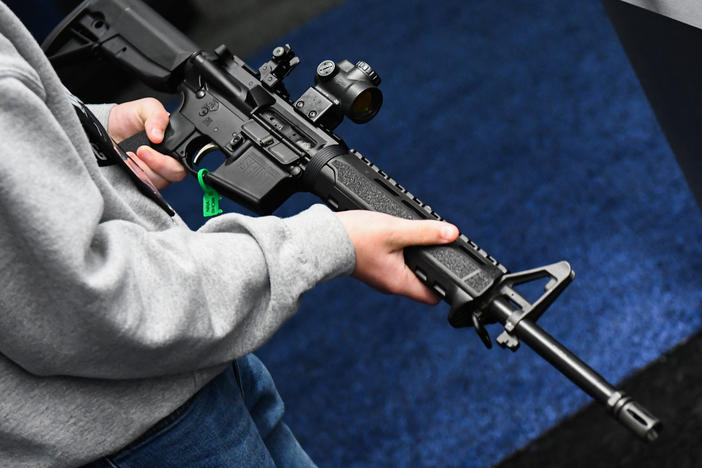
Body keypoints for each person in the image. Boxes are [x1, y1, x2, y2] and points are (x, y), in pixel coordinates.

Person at [0, 2, 459, 466]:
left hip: (198, 367)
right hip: (124, 438)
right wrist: (329, 242)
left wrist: (90, 136)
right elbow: (92, 302)